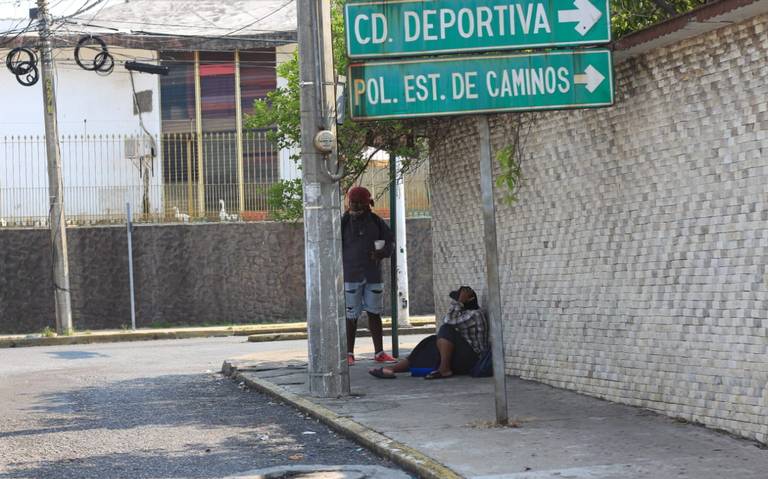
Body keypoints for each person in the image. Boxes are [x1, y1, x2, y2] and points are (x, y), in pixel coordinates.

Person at [368, 286, 489, 379]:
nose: (456, 303)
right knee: (431, 341)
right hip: (463, 356)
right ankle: (392, 369)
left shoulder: (475, 314)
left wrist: (459, 302)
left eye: (459, 300)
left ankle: (444, 369)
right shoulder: (465, 314)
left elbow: (448, 321)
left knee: (446, 330)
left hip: (473, 360)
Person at [342, 186, 396, 366]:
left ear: (367, 204)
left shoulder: (376, 221)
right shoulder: (343, 222)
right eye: (352, 203)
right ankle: (348, 353)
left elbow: (390, 241)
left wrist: (381, 253)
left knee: (374, 313)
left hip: (373, 275)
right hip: (350, 275)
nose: (355, 206)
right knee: (351, 316)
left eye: (359, 203)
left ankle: (379, 352)